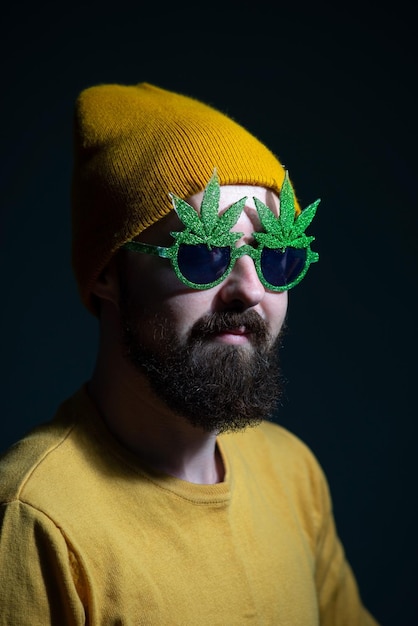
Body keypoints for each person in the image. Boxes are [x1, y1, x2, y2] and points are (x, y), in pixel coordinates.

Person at [0, 82, 380, 625]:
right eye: (203, 252)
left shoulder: (294, 474)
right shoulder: (35, 518)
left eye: (275, 257)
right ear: (108, 271)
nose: (249, 290)